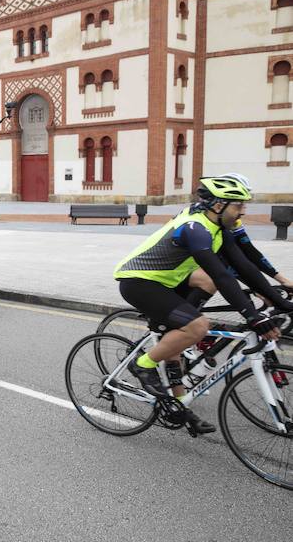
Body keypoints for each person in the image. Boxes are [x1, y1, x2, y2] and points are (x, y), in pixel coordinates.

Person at [114, 176, 293, 434]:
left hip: (169, 280)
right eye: (238, 206)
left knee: (181, 333)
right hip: (139, 282)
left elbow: (243, 268)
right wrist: (254, 316)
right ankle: (142, 364)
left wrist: (280, 301)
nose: (243, 211)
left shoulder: (218, 229)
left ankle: (178, 405)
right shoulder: (194, 229)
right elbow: (222, 276)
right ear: (219, 205)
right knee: (197, 326)